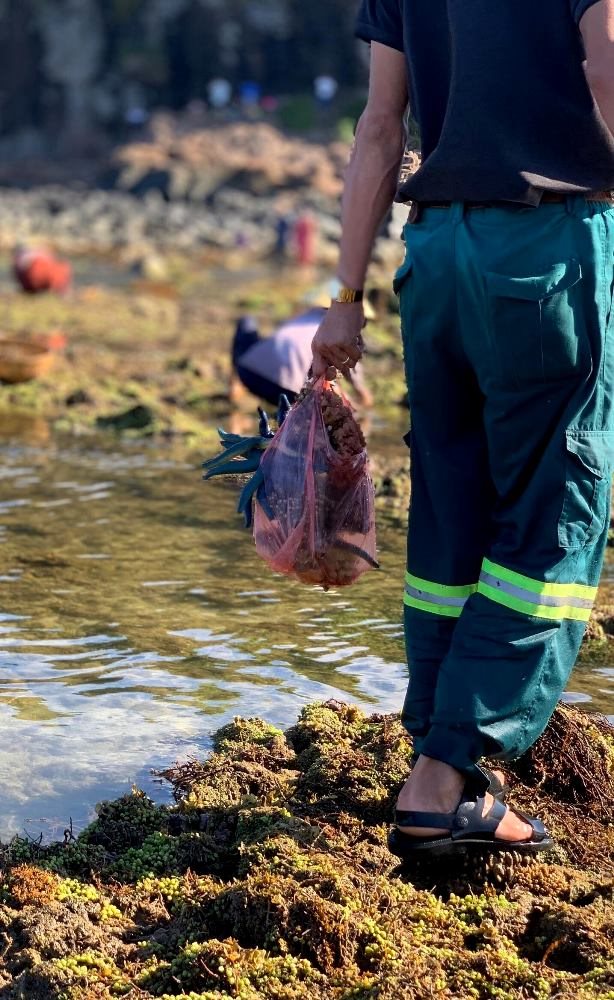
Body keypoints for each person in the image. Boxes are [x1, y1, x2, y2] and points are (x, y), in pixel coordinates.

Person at [311, 1, 614, 858]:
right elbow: (606, 69)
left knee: (452, 514)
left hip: (437, 256)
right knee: (556, 513)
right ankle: (443, 780)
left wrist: (343, 297)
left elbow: (379, 126)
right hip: (546, 250)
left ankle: (443, 759)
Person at [231, 288, 374, 409]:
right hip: (289, 392)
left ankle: (235, 384)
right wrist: (363, 400)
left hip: (248, 374)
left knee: (247, 322)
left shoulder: (306, 315)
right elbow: (353, 374)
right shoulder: (343, 332)